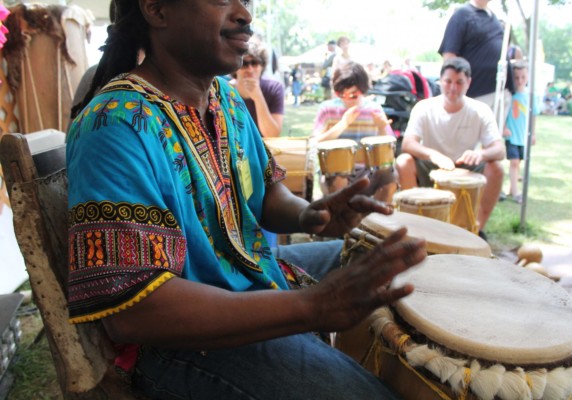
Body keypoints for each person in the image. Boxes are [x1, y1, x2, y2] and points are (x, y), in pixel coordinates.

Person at [66, 1, 427, 399]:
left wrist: (310, 215)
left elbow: (268, 192)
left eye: (248, 1)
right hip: (179, 346)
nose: (245, 14)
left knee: (391, 262)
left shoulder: (226, 98)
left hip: (248, 277)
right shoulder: (115, 124)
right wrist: (312, 306)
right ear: (156, 10)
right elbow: (136, 314)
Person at [395, 57, 505, 239]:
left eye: (459, 82)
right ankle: (416, 227)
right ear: (440, 81)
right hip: (430, 166)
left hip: (465, 166)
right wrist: (432, 154)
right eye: (448, 81)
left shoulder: (480, 109)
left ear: (468, 83)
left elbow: (499, 150)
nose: (453, 88)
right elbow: (408, 144)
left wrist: (480, 154)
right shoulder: (424, 107)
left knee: (496, 168)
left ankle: (475, 230)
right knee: (403, 161)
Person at [312, 61, 398, 204]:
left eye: (352, 95)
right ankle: (340, 221)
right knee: (339, 180)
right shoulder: (327, 109)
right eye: (341, 94)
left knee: (389, 176)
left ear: (362, 90)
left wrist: (382, 127)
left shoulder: (373, 110)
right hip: (334, 172)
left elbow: (389, 149)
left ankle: (380, 220)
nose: (347, 99)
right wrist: (343, 124)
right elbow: (315, 142)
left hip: (368, 171)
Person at [438, 0, 513, 120]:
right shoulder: (462, 15)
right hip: (475, 94)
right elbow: (449, 56)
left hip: (499, 91)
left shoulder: (494, 18)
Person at [230, 42, 284, 137]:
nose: (250, 69)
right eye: (244, 64)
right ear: (235, 67)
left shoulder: (274, 88)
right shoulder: (224, 91)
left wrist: (258, 97)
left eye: (254, 63)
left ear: (262, 65)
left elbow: (272, 135)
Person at [503, 60, 537, 204]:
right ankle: (516, 192)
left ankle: (511, 188)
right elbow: (503, 112)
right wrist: (504, 127)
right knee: (514, 162)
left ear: (528, 76)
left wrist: (533, 133)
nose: (519, 81)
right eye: (516, 77)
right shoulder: (509, 95)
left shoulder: (530, 97)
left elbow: (533, 116)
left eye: (523, 77)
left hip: (523, 136)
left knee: (519, 163)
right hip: (512, 136)